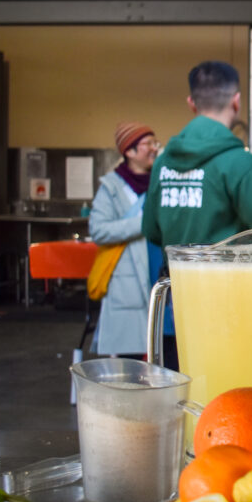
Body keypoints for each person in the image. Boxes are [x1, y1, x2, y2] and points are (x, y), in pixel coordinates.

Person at [143, 60, 252, 368]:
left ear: (191, 103)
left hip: (178, 301)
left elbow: (152, 230)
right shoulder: (239, 164)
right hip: (232, 303)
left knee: (185, 383)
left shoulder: (163, 163)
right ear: (236, 101)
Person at [88, 122, 159, 358]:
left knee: (159, 351)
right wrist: (144, 222)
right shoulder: (111, 187)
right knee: (130, 363)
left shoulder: (160, 182)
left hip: (156, 272)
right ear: (129, 151)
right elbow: (98, 230)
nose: (153, 148)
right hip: (126, 283)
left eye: (154, 142)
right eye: (147, 144)